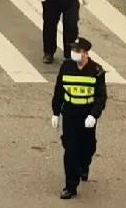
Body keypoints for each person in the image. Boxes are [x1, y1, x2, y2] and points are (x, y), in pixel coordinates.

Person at [51, 37, 107, 198]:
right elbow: (59, 90)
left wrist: (94, 115)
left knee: (88, 146)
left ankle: (84, 164)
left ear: (85, 53)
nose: (73, 53)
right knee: (70, 149)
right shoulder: (66, 67)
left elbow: (101, 96)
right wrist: (55, 112)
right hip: (70, 113)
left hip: (86, 114)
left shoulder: (96, 70)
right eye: (73, 50)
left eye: (77, 51)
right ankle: (71, 186)